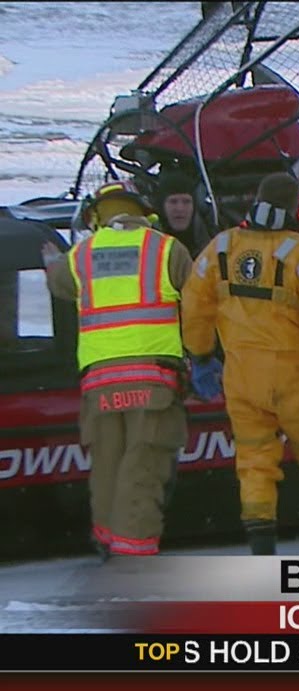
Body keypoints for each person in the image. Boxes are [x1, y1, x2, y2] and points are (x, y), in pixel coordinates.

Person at [180, 172, 299, 555]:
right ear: (295, 206)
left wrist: (202, 356)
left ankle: (262, 548)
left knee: (255, 460)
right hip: (297, 377)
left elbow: (194, 304)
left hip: (241, 376)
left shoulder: (221, 248)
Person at [42, 180, 192, 559]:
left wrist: (51, 261)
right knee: (144, 462)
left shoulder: (80, 255)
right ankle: (134, 551)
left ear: (97, 216)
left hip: (99, 381)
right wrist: (203, 357)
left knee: (107, 460)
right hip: (153, 378)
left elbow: (59, 284)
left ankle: (106, 538)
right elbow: (199, 301)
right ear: (144, 213)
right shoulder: (166, 249)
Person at [153, 169, 212, 257]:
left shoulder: (213, 241)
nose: (180, 208)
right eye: (173, 202)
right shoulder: (148, 245)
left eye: (186, 201)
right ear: (162, 207)